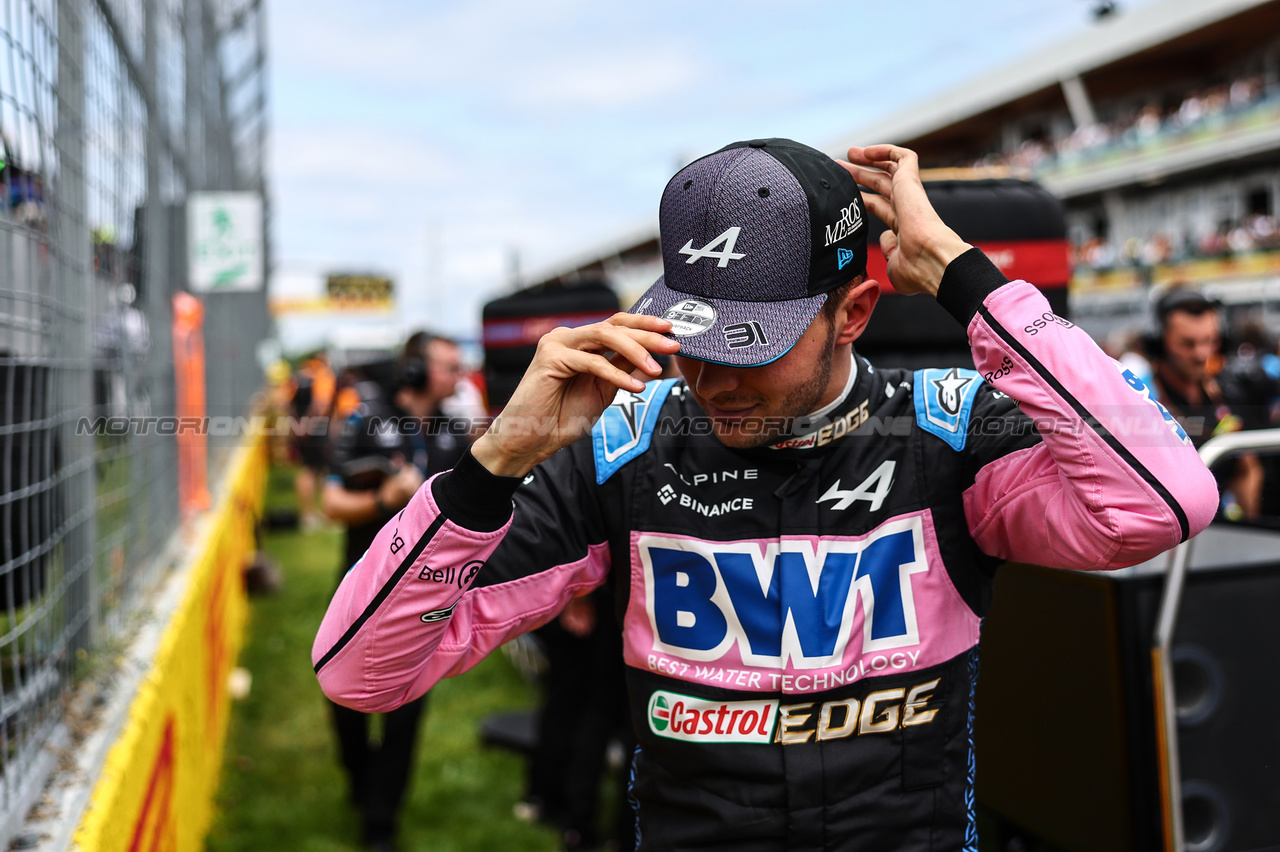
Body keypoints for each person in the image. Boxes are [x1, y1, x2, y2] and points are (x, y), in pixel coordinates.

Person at [314, 139, 1217, 851]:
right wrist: (496, 461)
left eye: (752, 346)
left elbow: (1163, 503)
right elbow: (360, 674)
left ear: (853, 313)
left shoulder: (947, 433)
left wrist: (962, 275)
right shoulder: (622, 450)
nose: (712, 380)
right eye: (693, 338)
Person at [320, 353, 469, 851]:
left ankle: (381, 824)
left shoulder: (458, 433)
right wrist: (386, 500)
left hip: (426, 602)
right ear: (417, 371)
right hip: (359, 594)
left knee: (406, 712)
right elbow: (331, 504)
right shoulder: (367, 421)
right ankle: (361, 784)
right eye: (448, 364)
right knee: (345, 707)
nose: (459, 373)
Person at [1145, 286, 1262, 517]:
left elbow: (1247, 469)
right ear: (1160, 342)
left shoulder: (1227, 394)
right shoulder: (1141, 397)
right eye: (1187, 344)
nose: (1201, 354)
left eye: (1208, 341)